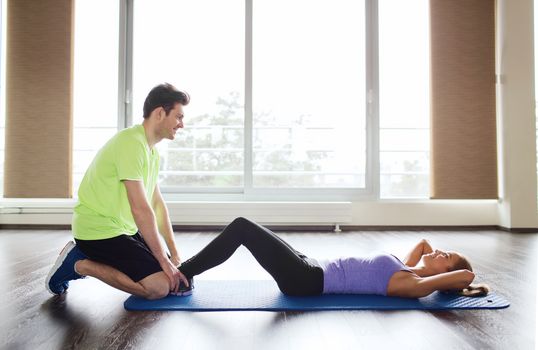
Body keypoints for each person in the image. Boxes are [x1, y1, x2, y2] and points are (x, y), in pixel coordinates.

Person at [46, 83, 192, 300]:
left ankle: (89, 260)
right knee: (159, 287)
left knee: (171, 277)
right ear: (160, 113)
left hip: (123, 230)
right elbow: (140, 208)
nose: (182, 124)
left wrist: (174, 255)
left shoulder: (151, 153)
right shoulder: (130, 143)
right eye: (178, 117)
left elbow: (157, 205)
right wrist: (163, 259)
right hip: (98, 230)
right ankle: (78, 263)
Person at [177, 217, 489, 298]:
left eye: (446, 256)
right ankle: (184, 271)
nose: (438, 251)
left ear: (443, 275)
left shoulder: (411, 284)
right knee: (250, 228)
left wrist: (447, 282)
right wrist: (433, 261)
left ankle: (182, 273)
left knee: (243, 227)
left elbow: (466, 277)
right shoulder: (408, 268)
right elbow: (422, 244)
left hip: (307, 279)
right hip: (310, 265)